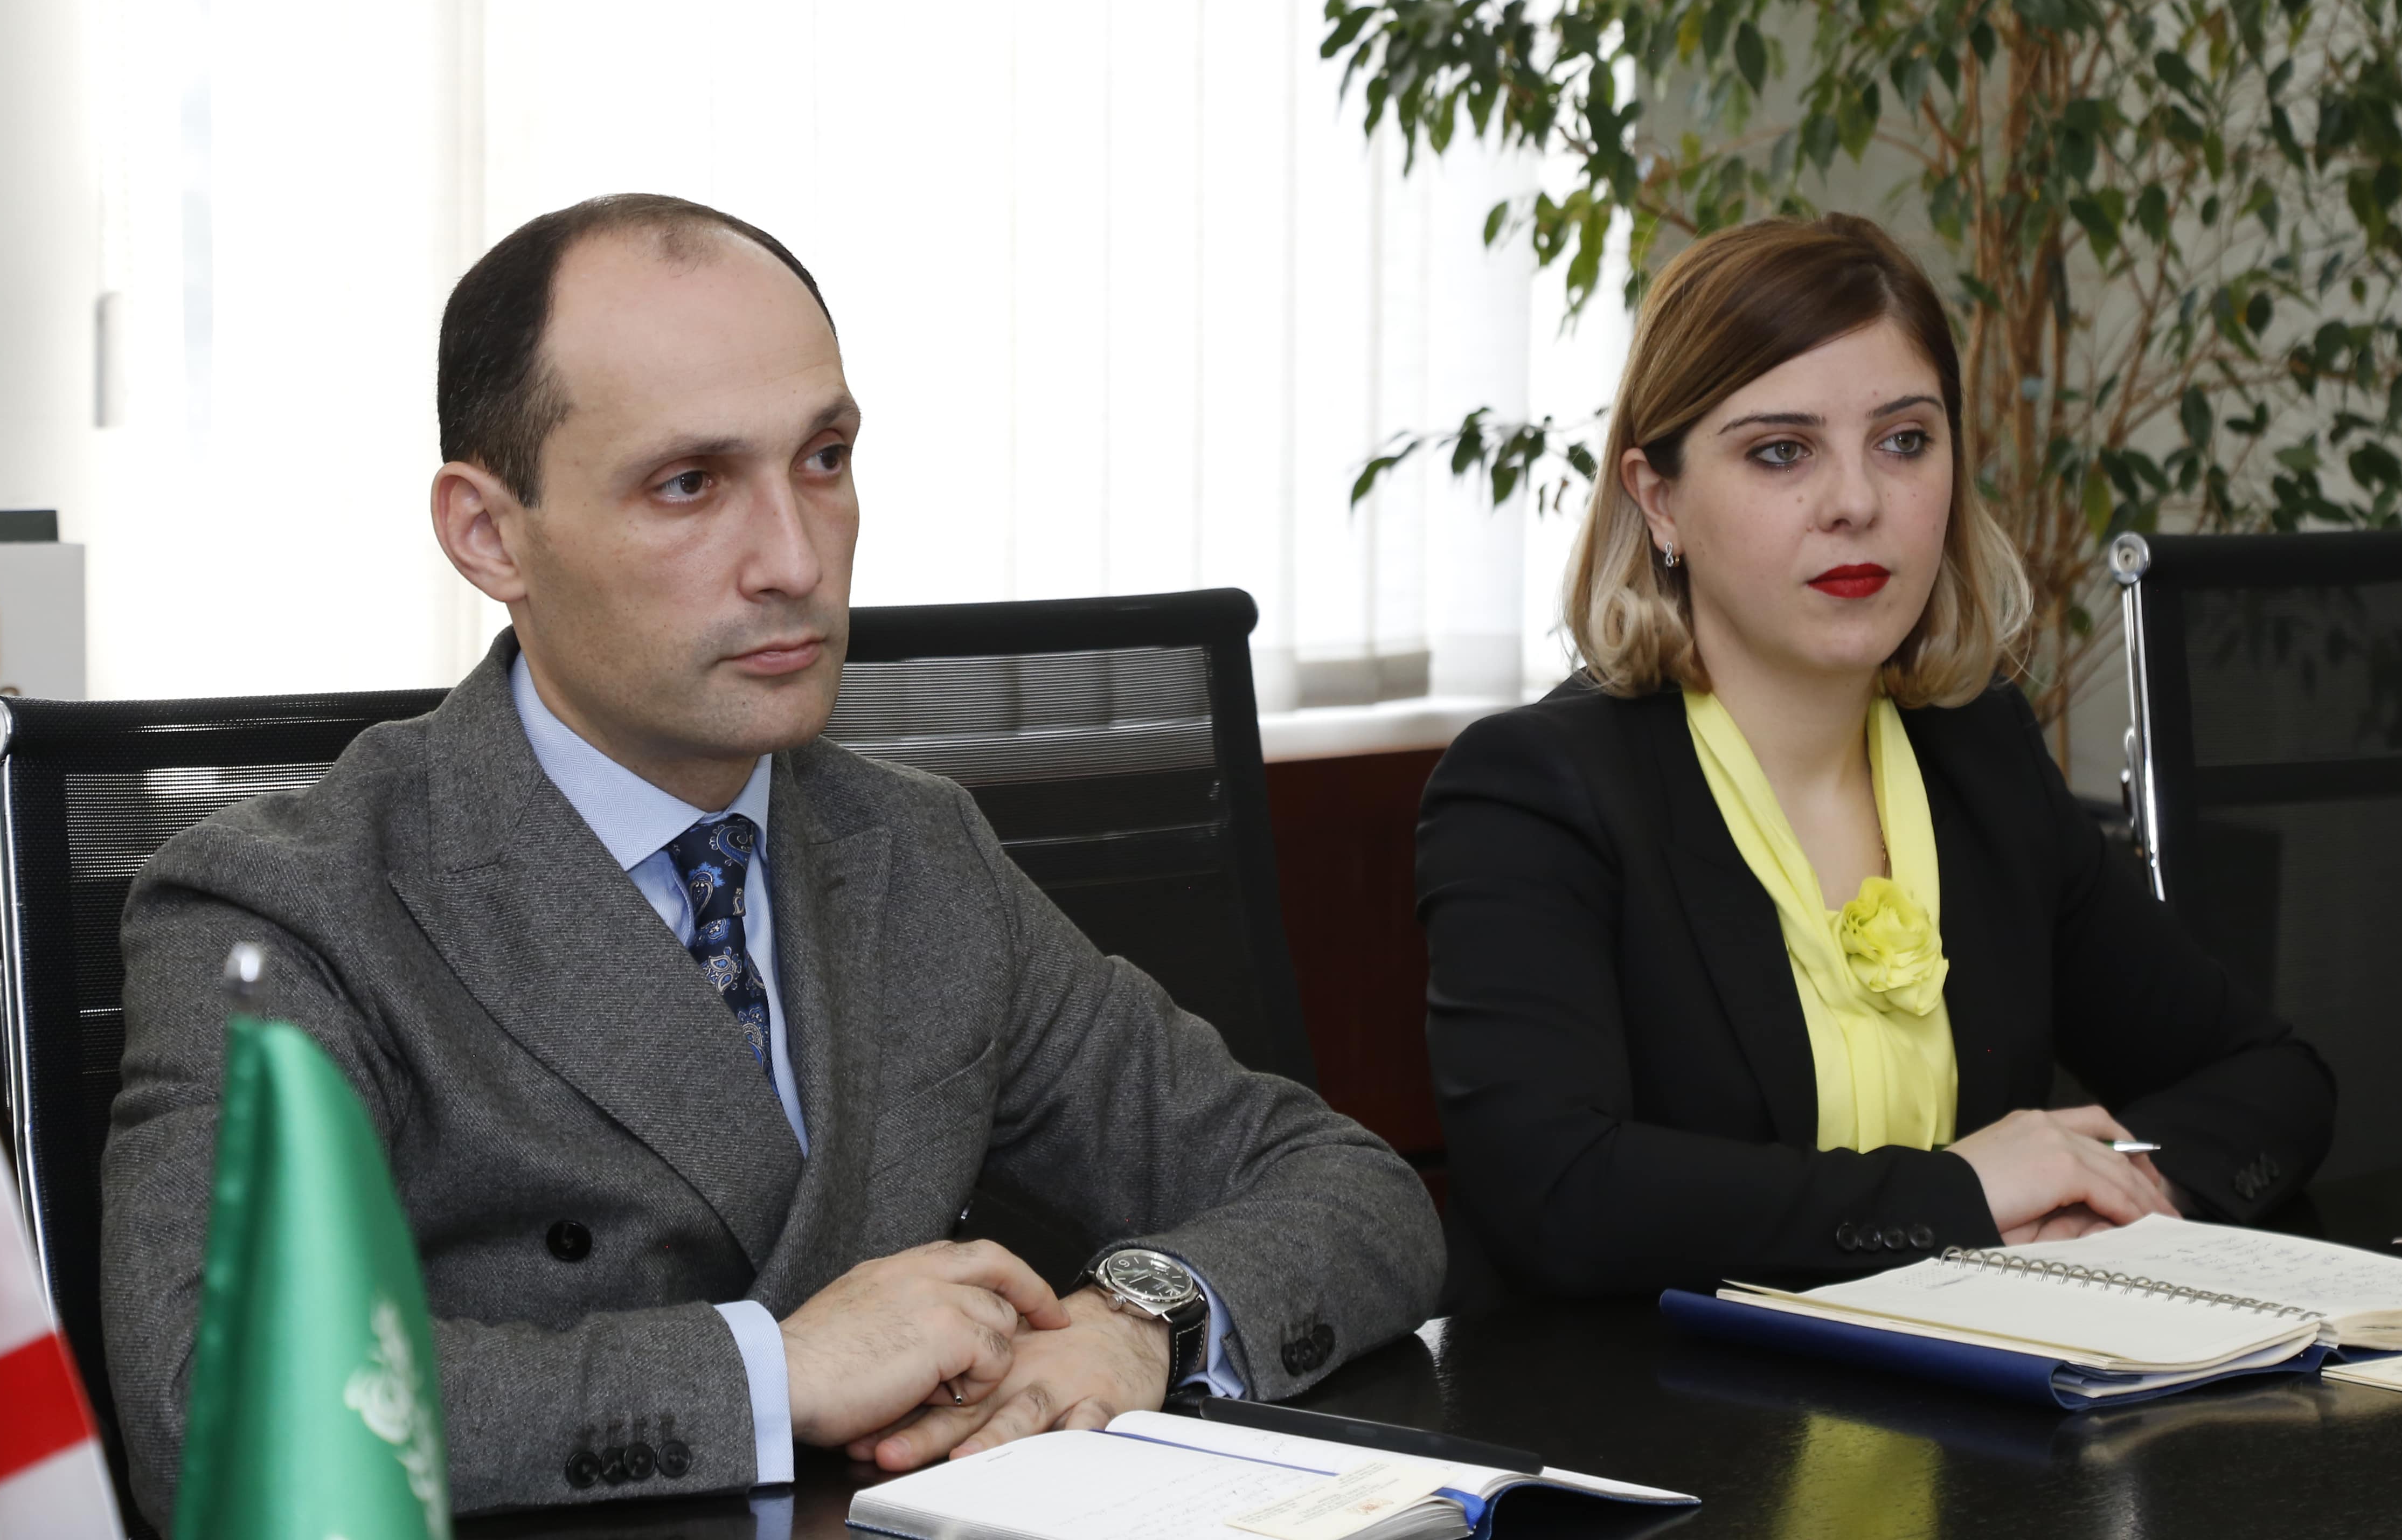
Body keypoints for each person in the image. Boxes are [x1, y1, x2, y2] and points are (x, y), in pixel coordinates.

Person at [101, 194, 1442, 1524]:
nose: (795, 558)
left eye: (823, 458)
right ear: (488, 534)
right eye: (688, 484)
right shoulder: (289, 906)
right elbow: (218, 1403)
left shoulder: (914, 850)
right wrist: (768, 1371)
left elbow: (1350, 1189)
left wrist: (1136, 1320)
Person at [1417, 213, 2334, 1302]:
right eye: (1780, 451)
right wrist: (1957, 1196)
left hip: (1981, 1386)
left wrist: (2119, 1194)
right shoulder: (1533, 791)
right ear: (1658, 500)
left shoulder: (1978, 754)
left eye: (1903, 441)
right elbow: (1557, 1194)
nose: (1856, 502)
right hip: (1659, 1400)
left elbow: (2269, 1077)